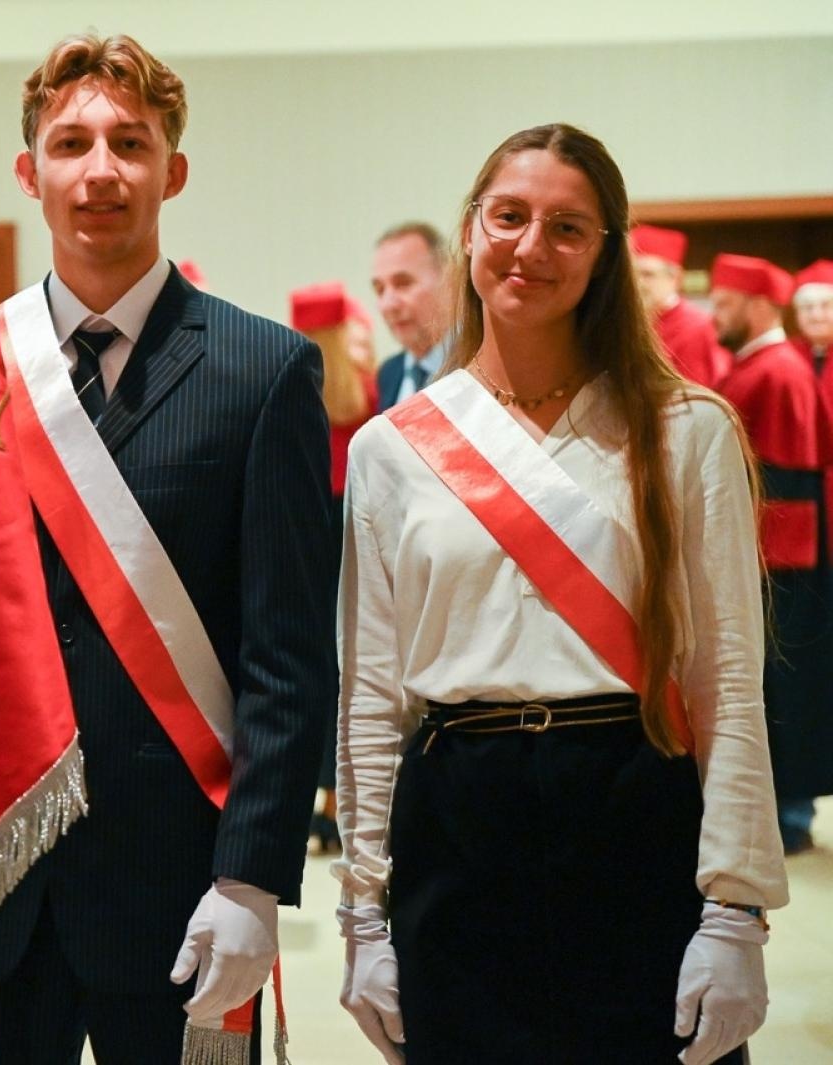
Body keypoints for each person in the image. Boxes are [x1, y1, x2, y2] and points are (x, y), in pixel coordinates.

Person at [335, 124, 788, 1065]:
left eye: (568, 227)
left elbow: (726, 682)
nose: (531, 247)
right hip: (456, 825)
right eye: (509, 216)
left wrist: (735, 906)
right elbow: (371, 699)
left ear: (606, 255)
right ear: (469, 231)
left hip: (633, 811)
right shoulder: (392, 447)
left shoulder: (686, 430)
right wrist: (361, 914)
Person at [0, 33, 334, 1063]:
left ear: (173, 170)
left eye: (131, 142)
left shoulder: (263, 370)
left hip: (181, 888)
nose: (100, 169)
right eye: (70, 143)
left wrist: (252, 880)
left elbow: (285, 660)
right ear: (29, 172)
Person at [710, 251, 833, 856]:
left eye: (725, 304)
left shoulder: (775, 371)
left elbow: (787, 478)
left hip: (778, 560)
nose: (715, 314)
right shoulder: (764, 364)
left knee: (785, 686)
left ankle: (789, 814)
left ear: (758, 306)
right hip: (771, 553)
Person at [290, 281, 378, 854]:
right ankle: (338, 805)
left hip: (309, 536)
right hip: (353, 530)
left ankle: (314, 807)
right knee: (353, 668)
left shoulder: (295, 390)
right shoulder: (367, 393)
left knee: (314, 669)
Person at [630, 224, 731, 387]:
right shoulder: (634, 320)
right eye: (633, 274)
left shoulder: (694, 327)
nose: (638, 283)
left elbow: (694, 392)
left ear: (675, 278)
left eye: (647, 274)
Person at [369, 222, 451, 412]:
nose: (389, 304)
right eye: (380, 290)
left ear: (448, 281)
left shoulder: (481, 366)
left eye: (403, 284)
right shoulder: (388, 373)